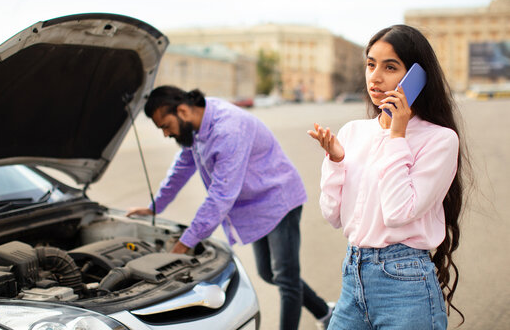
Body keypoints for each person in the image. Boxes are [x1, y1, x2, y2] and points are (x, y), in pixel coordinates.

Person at [127, 85, 333, 330]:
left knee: (286, 279)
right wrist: (155, 207)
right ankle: (325, 312)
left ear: (182, 110)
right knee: (269, 273)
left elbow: (221, 196)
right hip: (255, 208)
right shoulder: (197, 122)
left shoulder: (228, 129)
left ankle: (321, 317)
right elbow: (182, 167)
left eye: (165, 126)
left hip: (279, 200)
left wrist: (185, 244)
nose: (165, 134)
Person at [308, 24, 468, 329]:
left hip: (404, 285)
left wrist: (398, 135)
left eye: (390, 67)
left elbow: (399, 212)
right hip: (353, 277)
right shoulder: (354, 131)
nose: (375, 77)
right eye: (370, 64)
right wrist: (336, 162)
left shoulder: (440, 140)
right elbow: (332, 215)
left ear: (416, 77)